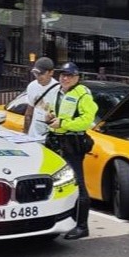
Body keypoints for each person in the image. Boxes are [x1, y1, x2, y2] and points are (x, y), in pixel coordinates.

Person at [46, 62, 97, 240]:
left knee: (77, 183)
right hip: (56, 140)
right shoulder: (59, 92)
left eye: (69, 75)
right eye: (63, 75)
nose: (65, 78)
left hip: (72, 142)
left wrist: (64, 124)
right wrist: (50, 117)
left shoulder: (82, 94)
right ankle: (61, 220)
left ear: (77, 78)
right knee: (57, 181)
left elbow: (87, 121)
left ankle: (82, 226)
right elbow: (56, 112)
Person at [23, 57, 59, 142]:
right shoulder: (32, 86)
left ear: (51, 72)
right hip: (33, 136)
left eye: (41, 74)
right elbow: (29, 113)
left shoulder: (58, 89)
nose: (38, 77)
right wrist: (25, 135)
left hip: (49, 138)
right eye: (36, 73)